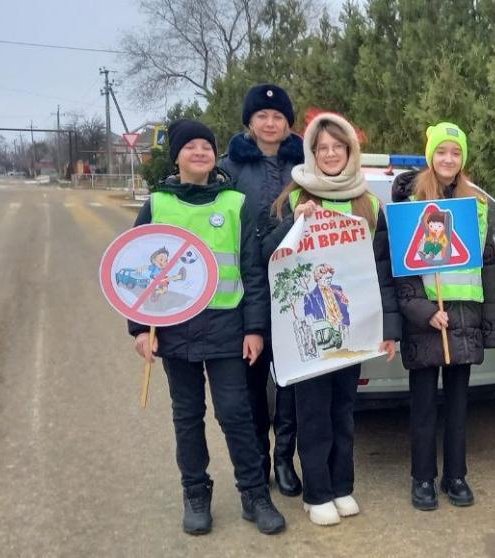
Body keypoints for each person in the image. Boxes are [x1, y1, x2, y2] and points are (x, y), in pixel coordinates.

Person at [128, 119, 286, 535]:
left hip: (226, 327)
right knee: (187, 415)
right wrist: (140, 329)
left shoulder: (234, 203)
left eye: (206, 146)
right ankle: (195, 492)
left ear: (214, 155)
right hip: (174, 328)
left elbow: (252, 271)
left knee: (236, 413)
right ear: (176, 155)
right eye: (190, 146)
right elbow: (136, 268)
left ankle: (254, 493)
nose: (199, 152)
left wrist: (255, 329)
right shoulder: (158, 204)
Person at [262, 112, 400, 526]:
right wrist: (293, 223)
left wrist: (389, 330)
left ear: (349, 152)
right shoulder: (293, 197)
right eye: (322, 148)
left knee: (344, 411)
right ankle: (316, 492)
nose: (329, 154)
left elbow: (384, 271)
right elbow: (265, 254)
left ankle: (342, 486)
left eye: (337, 148)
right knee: (314, 414)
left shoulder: (370, 203)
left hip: (353, 326)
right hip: (308, 328)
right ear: (312, 152)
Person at [391, 122, 495, 510]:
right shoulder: (410, 204)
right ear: (430, 156)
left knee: (458, 406)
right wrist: (424, 313)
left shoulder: (476, 205)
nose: (448, 159)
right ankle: (422, 477)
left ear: (463, 159)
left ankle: (456, 476)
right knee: (423, 406)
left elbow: (488, 267)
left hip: (464, 319)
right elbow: (401, 271)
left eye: (456, 153)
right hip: (428, 321)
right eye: (442, 152)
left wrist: (488, 326)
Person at [218, 83, 305, 497]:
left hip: (296, 288)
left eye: (278, 117)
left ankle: (286, 458)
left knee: (289, 381)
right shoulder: (228, 170)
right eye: (262, 117)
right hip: (246, 291)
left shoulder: (306, 165)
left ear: (289, 124)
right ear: (249, 123)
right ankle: (259, 457)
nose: (271, 123)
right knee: (252, 383)